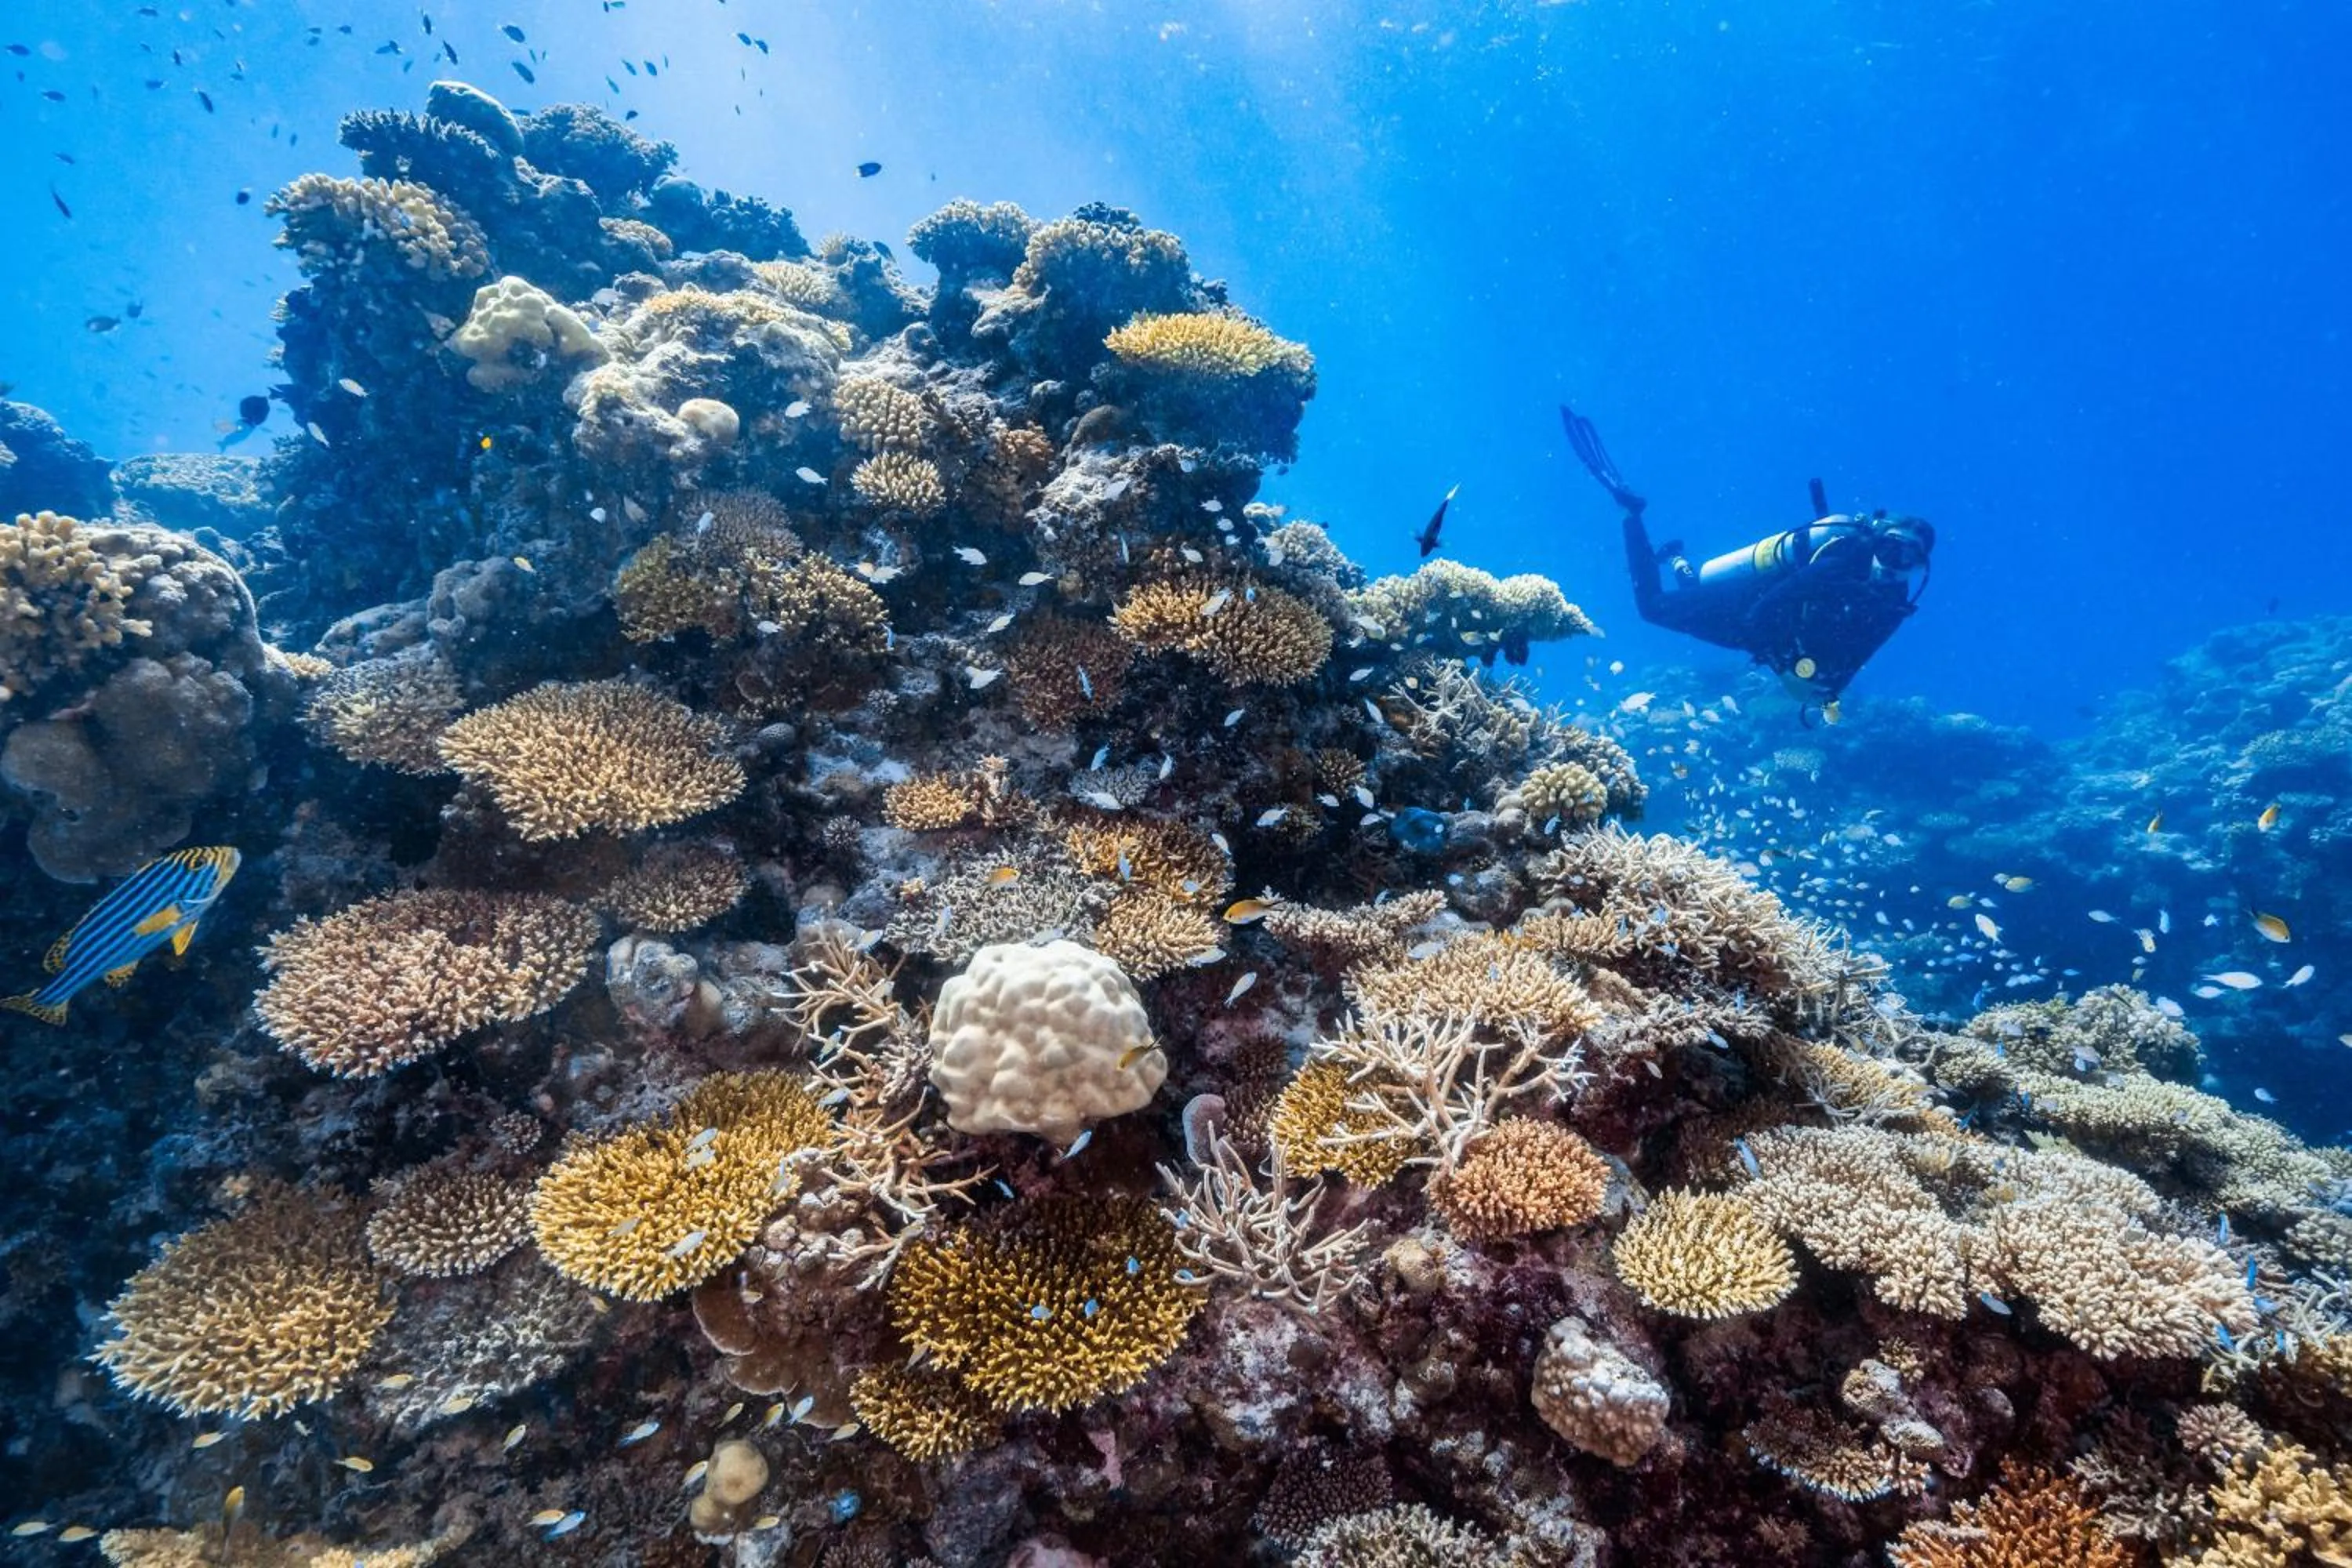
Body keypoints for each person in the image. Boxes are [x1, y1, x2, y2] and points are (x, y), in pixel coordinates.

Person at [1559, 404, 1933, 720]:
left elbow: (1861, 654)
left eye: (1909, 560)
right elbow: (1762, 612)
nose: (1894, 564)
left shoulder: (1895, 603)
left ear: (1919, 569)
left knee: (1696, 592)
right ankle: (1631, 513)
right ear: (1878, 541)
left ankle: (1676, 558)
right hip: (1748, 607)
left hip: (1765, 633)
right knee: (1653, 608)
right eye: (1891, 549)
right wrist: (1786, 669)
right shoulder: (1841, 562)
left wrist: (1829, 691)